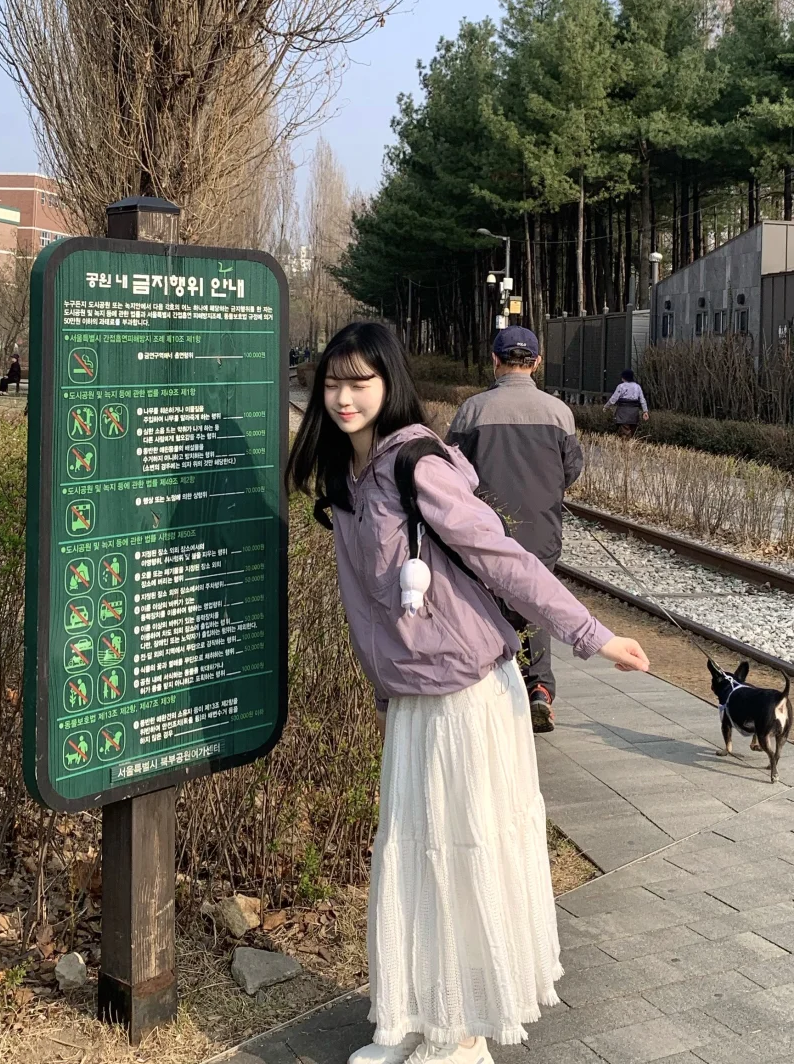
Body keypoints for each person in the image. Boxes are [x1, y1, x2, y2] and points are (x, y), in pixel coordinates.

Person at [287, 322, 649, 1064]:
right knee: (417, 858)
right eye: (333, 382)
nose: (345, 397)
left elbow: (501, 556)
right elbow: (367, 607)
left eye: (360, 381)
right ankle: (412, 1019)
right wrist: (385, 694)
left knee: (459, 857)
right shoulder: (347, 476)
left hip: (465, 694)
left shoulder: (415, 463)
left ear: (389, 383)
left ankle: (461, 1033)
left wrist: (592, 635)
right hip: (413, 697)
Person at [445, 325, 582, 735]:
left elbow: (450, 472)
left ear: (495, 360)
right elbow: (572, 470)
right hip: (542, 531)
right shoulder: (559, 412)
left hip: (485, 533)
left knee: (484, 607)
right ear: (536, 363)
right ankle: (539, 689)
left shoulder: (472, 411)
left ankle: (490, 691)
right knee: (535, 606)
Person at [604, 369, 649, 439]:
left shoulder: (621, 386)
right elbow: (642, 400)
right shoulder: (637, 386)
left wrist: (606, 406)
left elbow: (613, 399)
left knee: (625, 431)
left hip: (623, 411)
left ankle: (627, 444)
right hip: (634, 412)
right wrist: (645, 411)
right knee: (632, 430)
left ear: (624, 377)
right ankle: (631, 443)